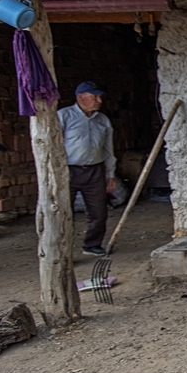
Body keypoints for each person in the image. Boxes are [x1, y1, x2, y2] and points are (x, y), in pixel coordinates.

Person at [58, 81, 117, 256]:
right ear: (80, 97)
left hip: (94, 170)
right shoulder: (64, 116)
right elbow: (53, 147)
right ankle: (62, 252)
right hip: (69, 170)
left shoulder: (102, 120)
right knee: (63, 213)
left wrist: (110, 174)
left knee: (99, 211)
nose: (99, 101)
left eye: (100, 97)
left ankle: (92, 245)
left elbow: (108, 149)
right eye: (94, 97)